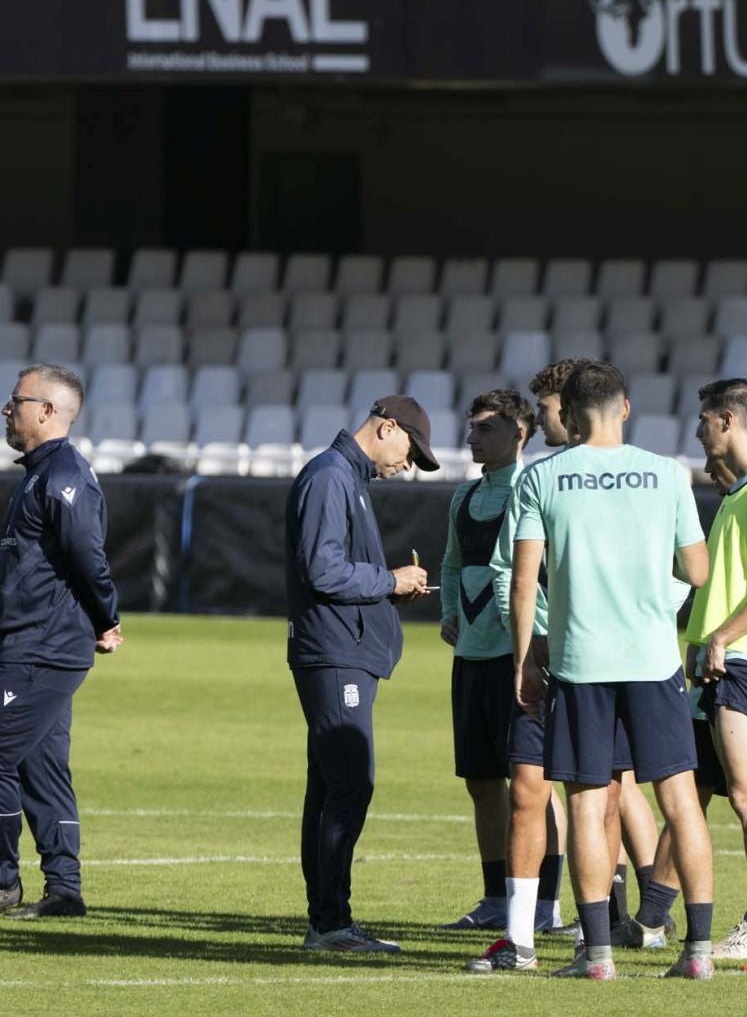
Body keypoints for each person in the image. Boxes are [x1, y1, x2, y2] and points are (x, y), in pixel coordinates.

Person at [508, 362, 713, 980]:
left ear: (567, 414)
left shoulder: (543, 477)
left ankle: (597, 955)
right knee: (680, 803)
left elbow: (523, 583)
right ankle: (698, 953)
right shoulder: (667, 474)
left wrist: (524, 661)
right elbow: (698, 572)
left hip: (581, 660)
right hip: (651, 659)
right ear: (625, 409)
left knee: (589, 805)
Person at [621, 379, 747, 960]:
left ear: (727, 420)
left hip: (745, 661)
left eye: (703, 420)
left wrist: (721, 636)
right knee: (688, 793)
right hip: (713, 664)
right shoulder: (738, 492)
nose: (697, 430)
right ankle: (651, 919)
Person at [0, 365, 121, 920]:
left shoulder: (64, 475)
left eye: (15, 401)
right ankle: (65, 890)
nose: (6, 410)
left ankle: (1, 879)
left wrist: (106, 618)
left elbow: (87, 557)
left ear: (46, 411)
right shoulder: (43, 473)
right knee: (42, 767)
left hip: (43, 649)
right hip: (34, 644)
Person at [285, 395, 436, 953]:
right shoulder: (330, 477)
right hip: (334, 652)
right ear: (387, 427)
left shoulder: (347, 479)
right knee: (348, 783)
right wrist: (389, 581)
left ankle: (327, 919)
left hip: (341, 648)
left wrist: (390, 588)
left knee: (330, 785)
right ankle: (330, 923)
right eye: (411, 449)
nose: (410, 463)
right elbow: (322, 569)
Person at [437, 388, 565, 932]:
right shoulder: (464, 496)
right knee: (482, 782)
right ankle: (495, 900)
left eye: (484, 428)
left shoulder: (534, 489)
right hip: (472, 656)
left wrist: (533, 640)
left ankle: (544, 903)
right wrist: (449, 611)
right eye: (470, 428)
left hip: (521, 656)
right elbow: (450, 563)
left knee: (532, 784)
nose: (471, 438)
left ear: (519, 432)